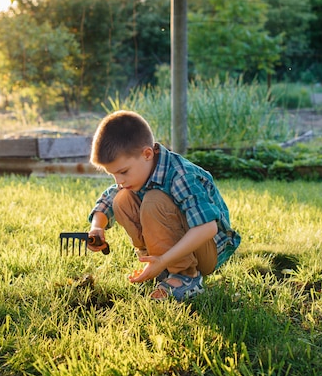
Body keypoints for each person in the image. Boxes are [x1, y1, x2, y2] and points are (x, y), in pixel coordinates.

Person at [87, 110, 241, 301]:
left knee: (154, 201)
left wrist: (164, 260)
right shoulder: (138, 174)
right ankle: (160, 268)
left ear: (147, 154)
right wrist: (97, 227)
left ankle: (186, 276)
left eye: (123, 172)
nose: (119, 181)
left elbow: (207, 228)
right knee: (121, 199)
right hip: (173, 248)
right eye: (113, 175)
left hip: (206, 250)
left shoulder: (181, 175)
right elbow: (108, 199)